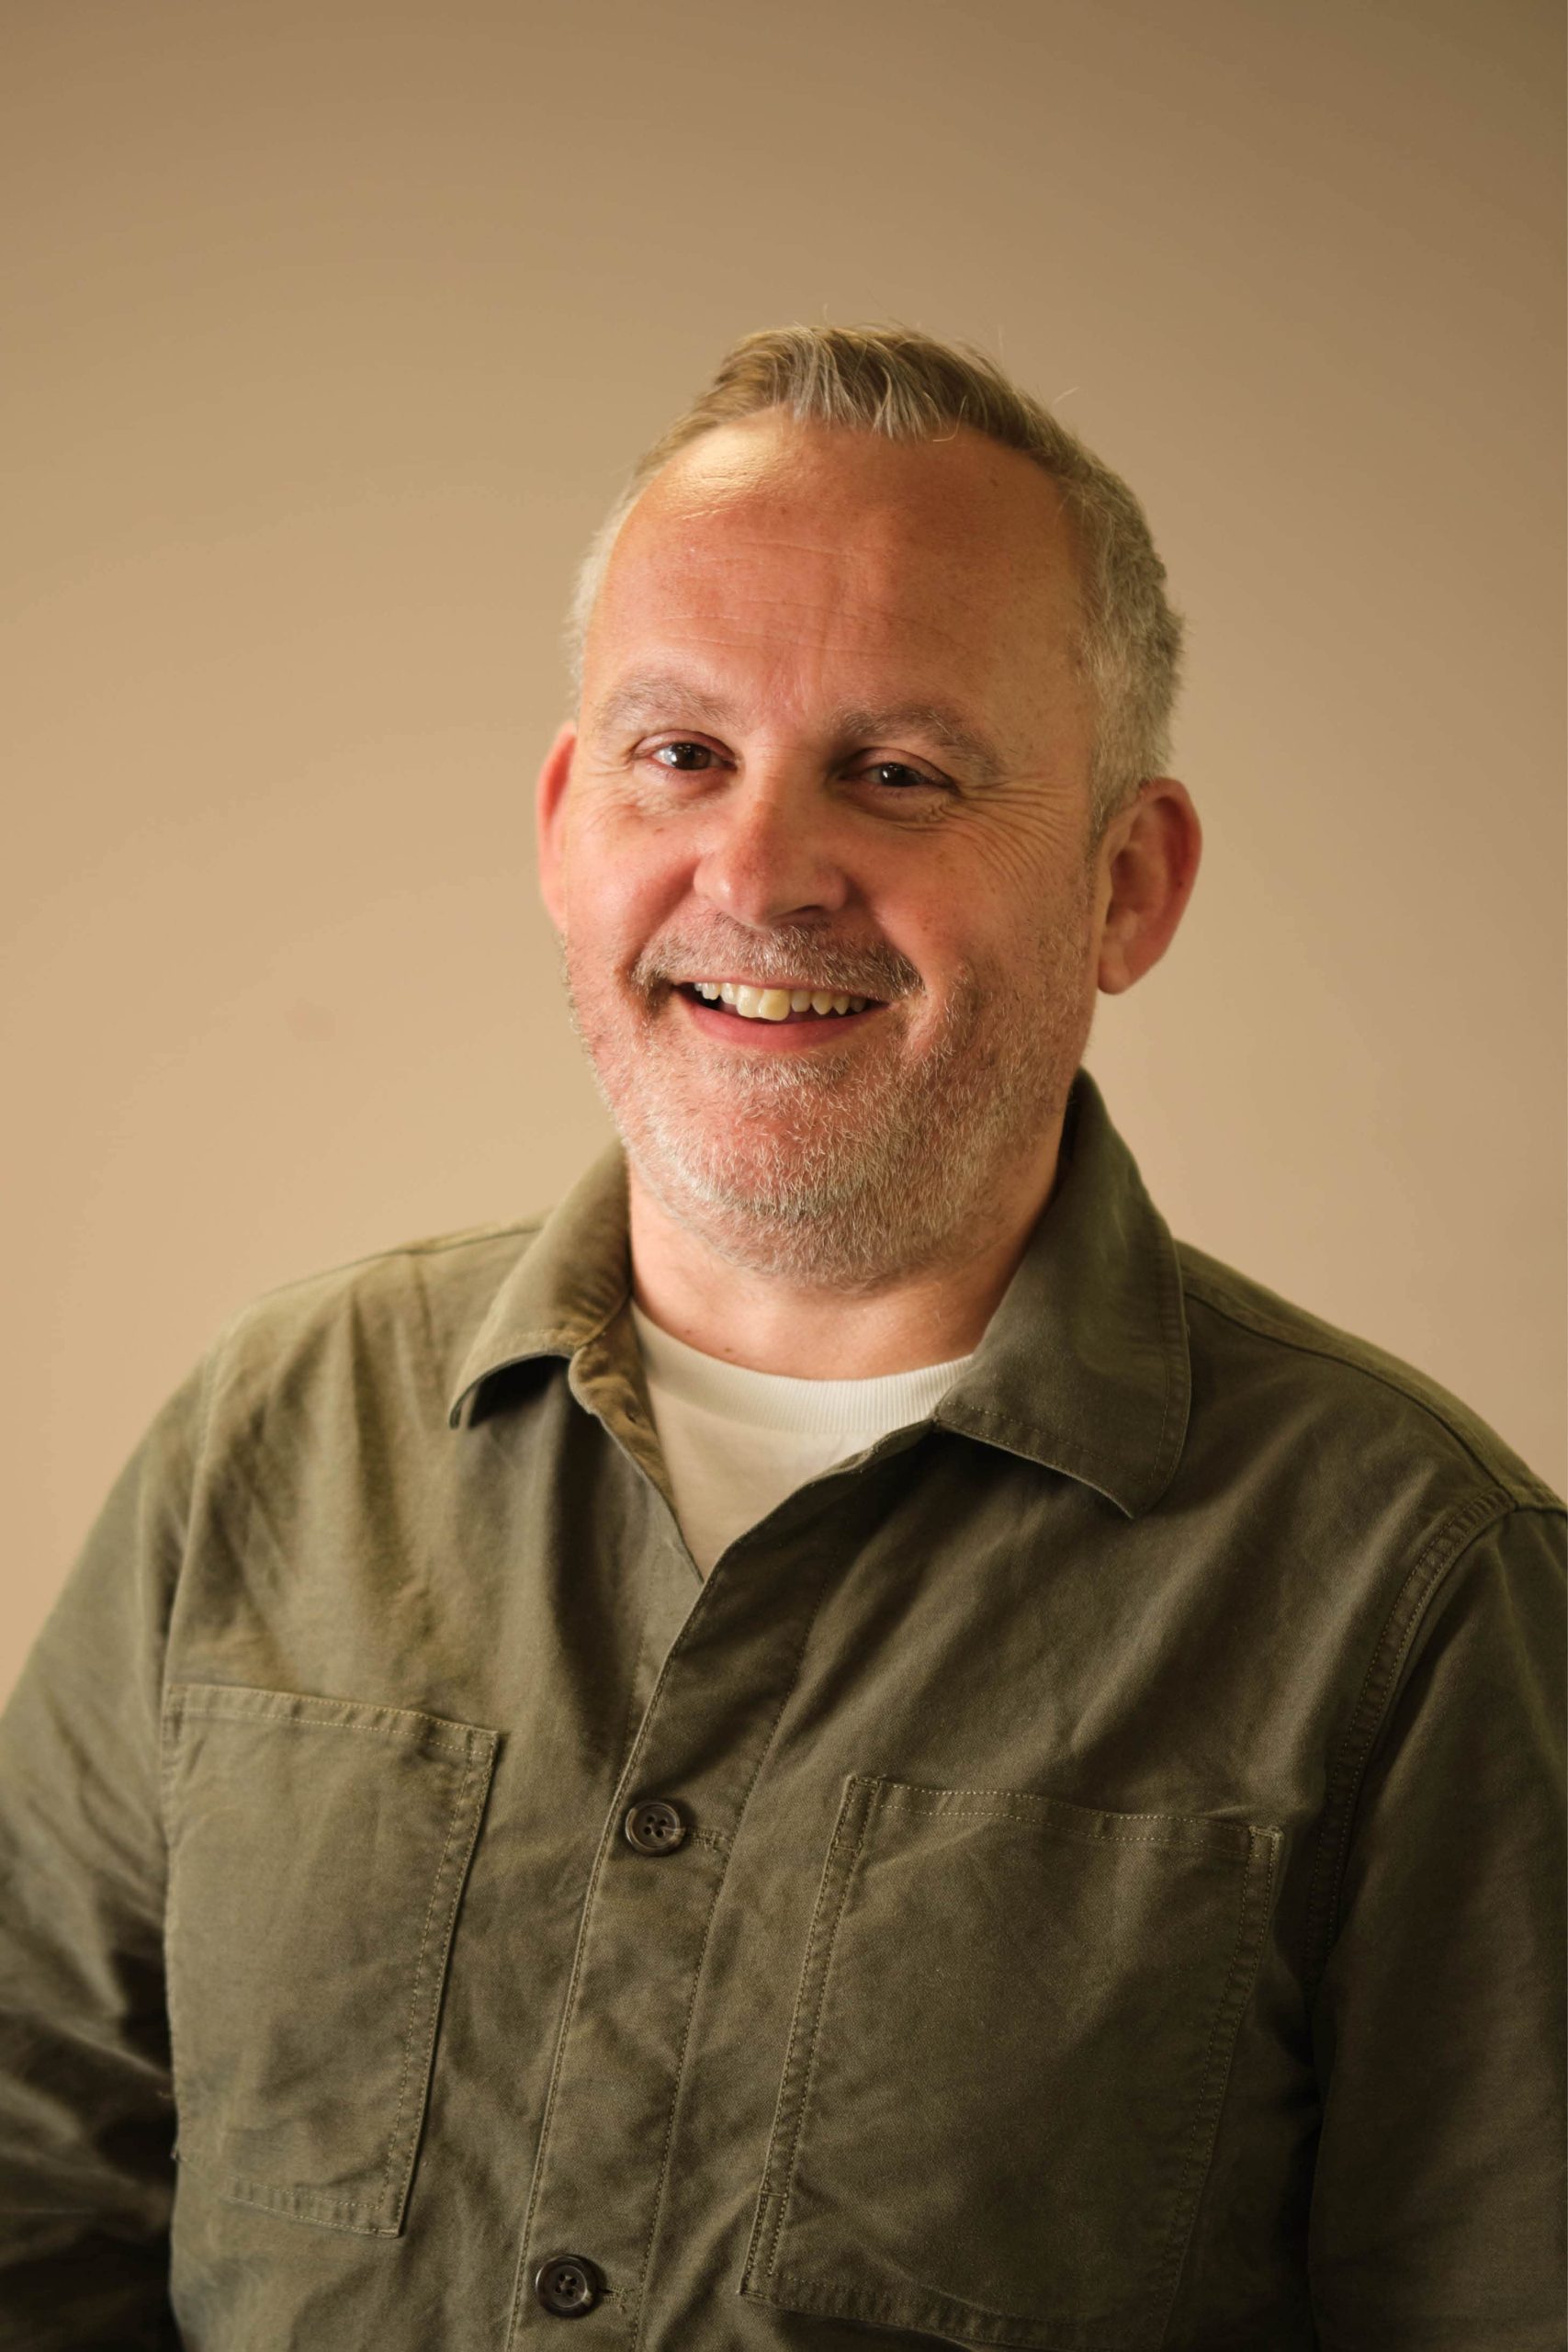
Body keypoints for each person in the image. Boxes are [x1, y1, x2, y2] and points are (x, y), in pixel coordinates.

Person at [1, 323, 1562, 2352]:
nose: (757, 870)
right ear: (570, 817)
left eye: (895, 774)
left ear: (1125, 884)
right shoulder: (269, 1443)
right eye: (681, 756)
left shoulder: (1411, 1581)